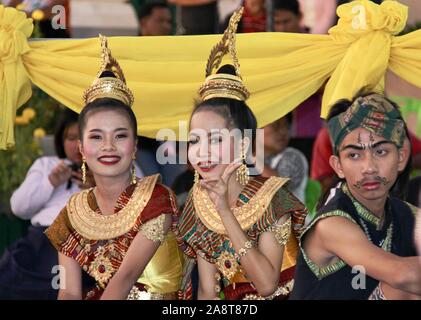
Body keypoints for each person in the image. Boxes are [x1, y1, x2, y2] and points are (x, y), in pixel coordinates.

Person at [176, 8, 307, 300]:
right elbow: (208, 290)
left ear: (244, 145)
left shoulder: (273, 199)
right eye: (195, 140)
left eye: (215, 139)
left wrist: (224, 210)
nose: (202, 152)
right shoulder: (199, 201)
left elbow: (266, 286)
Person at [45, 35, 183, 300]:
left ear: (134, 148)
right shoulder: (73, 212)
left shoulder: (157, 199)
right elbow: (69, 291)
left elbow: (125, 279)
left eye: (120, 136)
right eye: (96, 137)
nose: (108, 146)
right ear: (82, 149)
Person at [290, 92, 421, 300]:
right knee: (404, 288)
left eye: (381, 152)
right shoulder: (331, 224)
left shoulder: (408, 214)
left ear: (402, 157)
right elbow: (403, 275)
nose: (369, 167)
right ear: (338, 166)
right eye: (354, 155)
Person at [0, 108, 90, 299]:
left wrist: (100, 187)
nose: (77, 146)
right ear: (61, 140)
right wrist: (50, 182)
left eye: (85, 138)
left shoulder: (111, 165)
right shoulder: (47, 164)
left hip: (87, 241)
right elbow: (19, 208)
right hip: (43, 238)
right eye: (71, 138)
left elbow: (136, 199)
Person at [263, 114, 308, 203]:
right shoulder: (241, 161)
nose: (283, 131)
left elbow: (279, 190)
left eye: (287, 126)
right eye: (276, 126)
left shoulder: (292, 156)